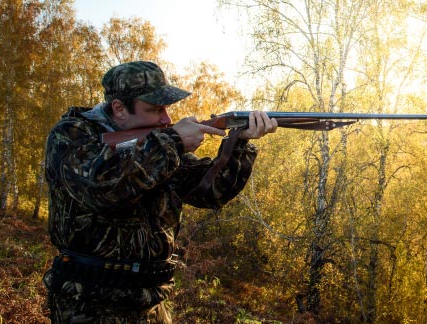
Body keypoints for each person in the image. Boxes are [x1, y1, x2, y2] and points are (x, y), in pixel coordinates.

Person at [42, 60, 277, 323]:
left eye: (166, 108)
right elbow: (102, 186)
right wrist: (174, 141)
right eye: (155, 109)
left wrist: (239, 143)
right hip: (89, 304)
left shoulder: (158, 145)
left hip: (153, 302)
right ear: (119, 108)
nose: (166, 119)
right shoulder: (72, 135)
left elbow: (210, 192)